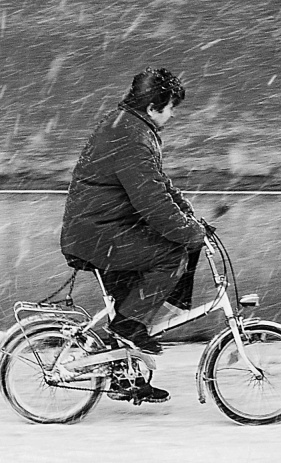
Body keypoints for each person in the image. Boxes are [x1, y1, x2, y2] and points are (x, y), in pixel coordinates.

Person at [60, 67, 205, 402]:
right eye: (171, 107)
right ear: (153, 107)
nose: (172, 114)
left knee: (130, 300)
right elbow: (152, 202)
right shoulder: (130, 136)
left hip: (104, 228)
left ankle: (125, 376)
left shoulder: (129, 126)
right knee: (172, 255)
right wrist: (188, 233)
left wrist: (190, 218)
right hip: (99, 233)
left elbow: (161, 185)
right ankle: (127, 329)